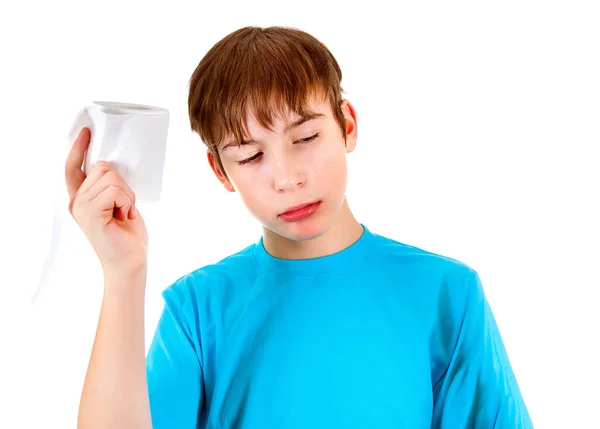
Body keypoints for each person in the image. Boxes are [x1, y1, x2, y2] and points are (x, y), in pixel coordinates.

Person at [67, 26, 533, 429]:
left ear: (347, 125)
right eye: (250, 155)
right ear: (220, 171)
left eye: (306, 138)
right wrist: (123, 272)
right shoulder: (198, 309)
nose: (288, 178)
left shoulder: (446, 294)